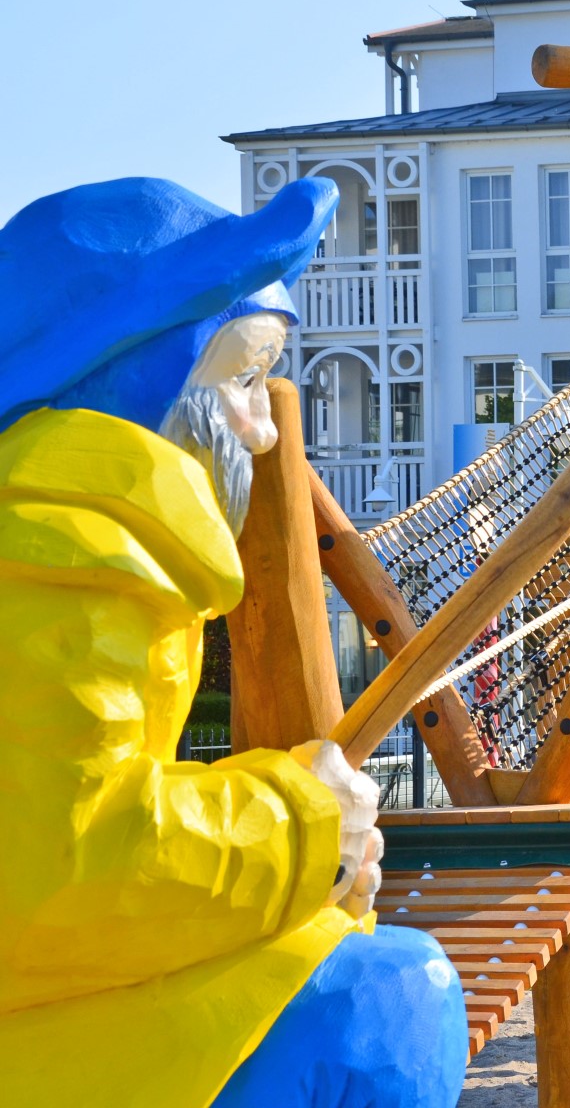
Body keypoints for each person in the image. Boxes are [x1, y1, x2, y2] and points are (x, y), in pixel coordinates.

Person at [0, 178, 465, 1106]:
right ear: (142, 375)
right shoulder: (64, 561)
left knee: (350, 956)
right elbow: (55, 870)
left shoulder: (87, 551)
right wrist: (305, 827)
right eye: (247, 378)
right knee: (394, 1001)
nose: (262, 429)